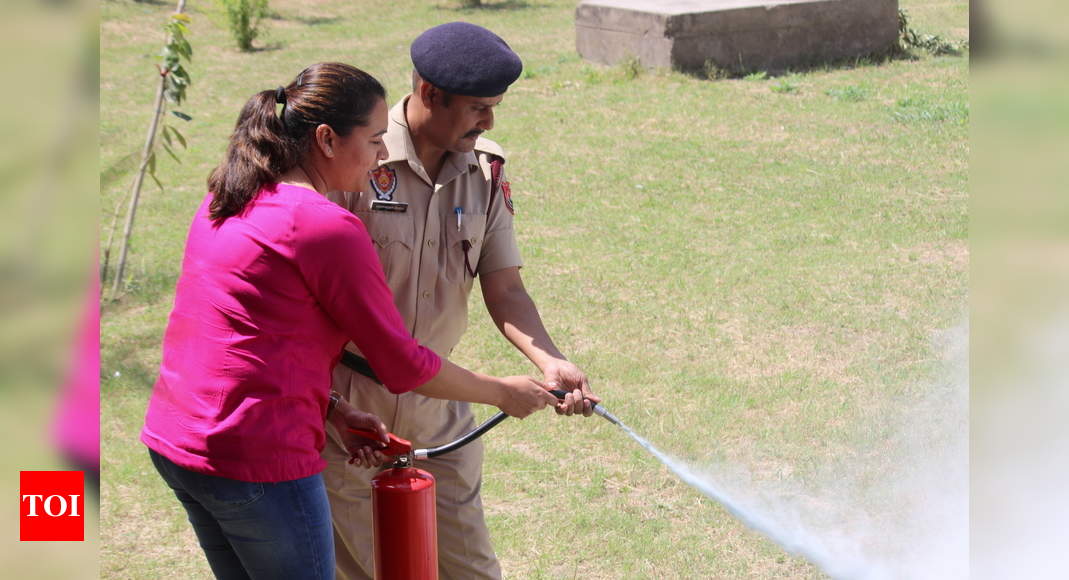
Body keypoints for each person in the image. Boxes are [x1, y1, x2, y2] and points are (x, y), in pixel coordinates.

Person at [140, 62, 558, 580]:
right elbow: (401, 364)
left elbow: (253, 340)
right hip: (258, 455)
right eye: (376, 139)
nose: (383, 155)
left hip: (181, 442)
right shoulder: (324, 223)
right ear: (327, 140)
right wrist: (503, 392)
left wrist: (335, 407)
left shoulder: (229, 197)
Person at [324, 23, 600, 580]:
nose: (490, 121)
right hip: (350, 409)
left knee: (471, 566)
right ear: (429, 93)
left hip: (443, 404)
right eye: (479, 107)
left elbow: (506, 288)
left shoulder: (486, 171)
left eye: (495, 107)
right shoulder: (356, 161)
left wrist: (550, 361)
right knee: (375, 567)